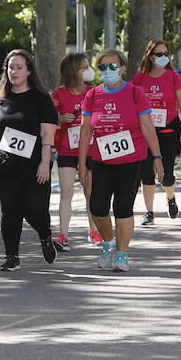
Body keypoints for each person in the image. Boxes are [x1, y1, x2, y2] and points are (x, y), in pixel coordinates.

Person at [76, 50, 164, 272]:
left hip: (132, 158)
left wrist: (157, 158)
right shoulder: (93, 95)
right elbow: (86, 131)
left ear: (123, 68)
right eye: (103, 67)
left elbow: (147, 127)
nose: (108, 71)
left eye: (112, 67)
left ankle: (122, 254)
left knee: (123, 206)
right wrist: (81, 163)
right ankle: (108, 242)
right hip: (102, 158)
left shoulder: (135, 92)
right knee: (97, 205)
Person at [0, 49, 58, 272]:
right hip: (5, 165)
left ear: (29, 71)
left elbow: (47, 135)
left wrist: (44, 162)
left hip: (34, 165)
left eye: (19, 67)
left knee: (35, 209)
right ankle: (12, 256)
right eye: (11, 67)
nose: (14, 71)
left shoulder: (42, 99)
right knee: (10, 210)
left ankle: (45, 235)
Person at [131, 39, 181, 225]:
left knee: (167, 174)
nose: (163, 57)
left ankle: (170, 198)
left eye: (166, 54)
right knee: (146, 172)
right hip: (146, 132)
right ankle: (149, 212)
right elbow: (130, 102)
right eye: (159, 54)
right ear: (150, 56)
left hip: (168, 131)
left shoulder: (173, 77)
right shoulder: (140, 78)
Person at [51, 52, 98, 251]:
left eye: (88, 66)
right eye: (83, 67)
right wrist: (60, 119)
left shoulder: (93, 91)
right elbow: (48, 122)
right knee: (66, 192)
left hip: (90, 150)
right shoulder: (58, 94)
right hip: (66, 150)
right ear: (72, 71)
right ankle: (63, 235)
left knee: (91, 192)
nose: (88, 71)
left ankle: (94, 231)